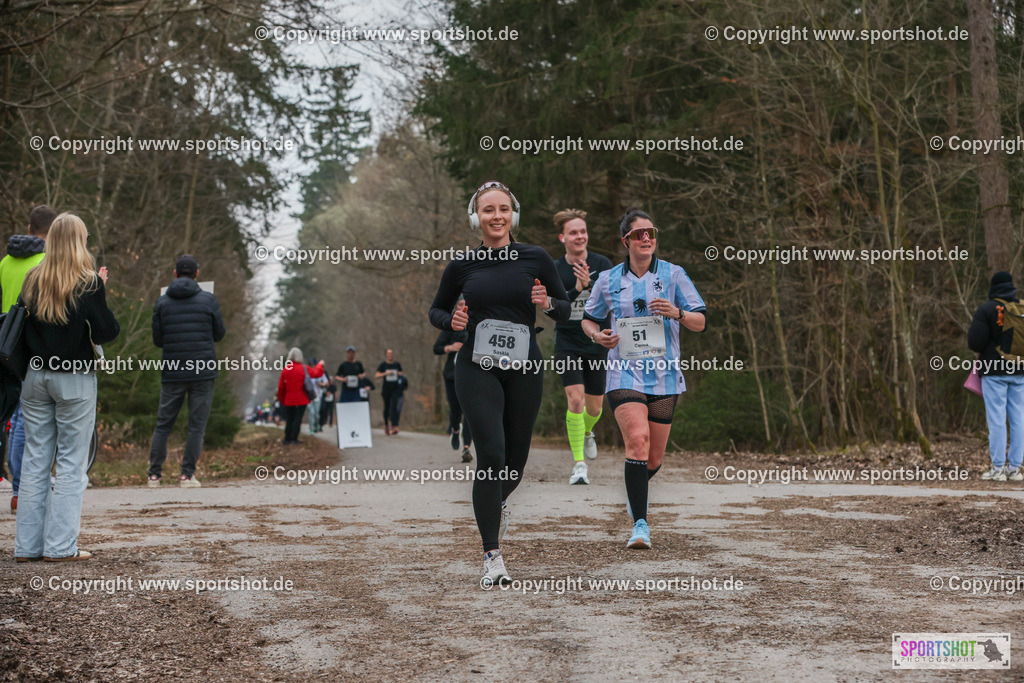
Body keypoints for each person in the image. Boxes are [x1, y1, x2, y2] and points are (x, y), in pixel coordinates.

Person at [429, 180, 570, 586]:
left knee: (516, 461)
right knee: (491, 455)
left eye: (503, 209)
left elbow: (562, 309)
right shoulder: (462, 266)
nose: (496, 216)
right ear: (477, 217)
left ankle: (496, 504)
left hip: (524, 365)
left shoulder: (536, 257)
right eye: (488, 209)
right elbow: (436, 311)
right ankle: (492, 555)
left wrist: (546, 303)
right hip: (477, 365)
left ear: (513, 215)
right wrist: (450, 321)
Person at [582, 208, 706, 550]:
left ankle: (636, 492)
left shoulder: (674, 274)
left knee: (652, 459)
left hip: (664, 375)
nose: (647, 238)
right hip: (624, 371)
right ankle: (640, 525)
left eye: (651, 232)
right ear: (626, 241)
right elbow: (588, 320)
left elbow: (700, 321)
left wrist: (678, 313)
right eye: (639, 234)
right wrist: (598, 336)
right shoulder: (608, 280)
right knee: (637, 439)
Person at [14, 213, 119, 562]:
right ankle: (60, 547)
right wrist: (101, 293)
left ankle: (27, 547)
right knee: (72, 463)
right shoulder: (87, 283)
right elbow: (106, 332)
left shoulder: (32, 279)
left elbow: (24, 330)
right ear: (80, 242)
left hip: (35, 376)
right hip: (74, 378)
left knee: (34, 461)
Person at [147, 255, 226, 488]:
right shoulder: (208, 300)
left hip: (173, 371)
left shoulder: (162, 302)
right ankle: (186, 475)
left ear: (174, 274)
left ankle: (154, 475)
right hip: (203, 371)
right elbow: (219, 334)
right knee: (196, 426)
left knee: (163, 424)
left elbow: (158, 340)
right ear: (197, 274)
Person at [551, 208, 613, 485]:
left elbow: (613, 302)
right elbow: (553, 309)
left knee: (595, 409)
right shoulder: (554, 269)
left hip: (596, 341)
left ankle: (587, 432)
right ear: (562, 237)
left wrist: (592, 286)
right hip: (567, 342)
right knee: (575, 400)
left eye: (583, 231)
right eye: (573, 232)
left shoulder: (603, 263)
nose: (580, 236)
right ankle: (579, 464)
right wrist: (577, 288)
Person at [1, 204, 53, 513]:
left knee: (12, 418)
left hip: (5, 344)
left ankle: (20, 488)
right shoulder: (47, 262)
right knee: (27, 421)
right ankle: (26, 488)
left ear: (29, 227)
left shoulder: (5, 262)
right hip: (33, 347)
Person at [968, 271, 1024, 481]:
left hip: (993, 371)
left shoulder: (987, 309)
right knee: (1019, 418)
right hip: (1019, 371)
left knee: (997, 419)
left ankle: (998, 468)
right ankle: (1015, 468)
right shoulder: (1021, 308)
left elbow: (975, 343)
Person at [433, 301, 473, 462]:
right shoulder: (450, 327)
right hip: (452, 374)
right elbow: (436, 348)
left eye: (465, 304)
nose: (462, 307)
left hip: (472, 374)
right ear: (455, 308)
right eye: (458, 305)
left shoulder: (476, 326)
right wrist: (450, 348)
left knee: (470, 411)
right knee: (456, 410)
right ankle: (455, 429)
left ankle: (466, 449)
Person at [276, 348, 323, 444]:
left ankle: (287, 438)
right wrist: (320, 365)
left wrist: (282, 399)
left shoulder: (286, 370)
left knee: (290, 419)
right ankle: (294, 438)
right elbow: (317, 373)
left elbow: (281, 387)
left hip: (289, 399)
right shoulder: (304, 368)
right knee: (298, 419)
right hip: (301, 399)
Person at [375, 349, 404, 434]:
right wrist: (387, 373)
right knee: (387, 407)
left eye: (391, 353)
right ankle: (386, 425)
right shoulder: (383, 365)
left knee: (394, 406)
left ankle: (394, 426)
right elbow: (377, 375)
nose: (390, 355)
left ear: (393, 354)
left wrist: (398, 374)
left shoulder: (397, 364)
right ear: (386, 355)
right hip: (386, 389)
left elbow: (401, 373)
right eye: (388, 353)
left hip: (395, 389)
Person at [306, 358, 325, 435]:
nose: (312, 366)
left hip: (318, 396)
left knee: (316, 414)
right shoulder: (306, 373)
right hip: (309, 397)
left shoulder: (320, 373)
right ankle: (311, 429)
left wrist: (321, 384)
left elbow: (327, 383)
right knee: (311, 412)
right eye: (310, 364)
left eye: (313, 364)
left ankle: (316, 425)